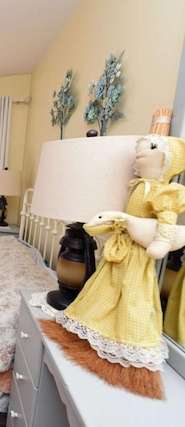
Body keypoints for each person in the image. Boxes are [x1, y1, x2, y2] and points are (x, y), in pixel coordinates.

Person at [41, 134, 185, 399]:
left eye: (150, 148)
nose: (142, 154)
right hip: (121, 248)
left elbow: (166, 220)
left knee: (131, 295)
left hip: (136, 255)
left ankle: (123, 346)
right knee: (106, 288)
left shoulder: (164, 192)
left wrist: (162, 241)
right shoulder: (137, 185)